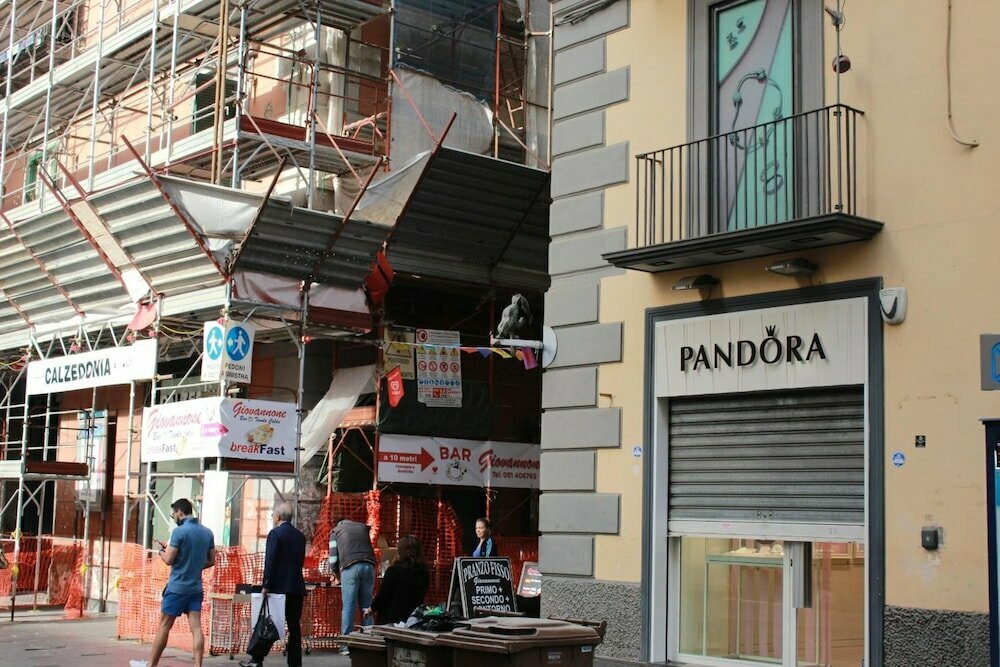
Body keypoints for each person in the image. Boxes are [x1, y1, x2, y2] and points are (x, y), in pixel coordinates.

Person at [130, 498, 215, 667]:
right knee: (196, 628)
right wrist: (194, 565)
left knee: (164, 626)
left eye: (173, 514)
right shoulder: (207, 532)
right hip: (195, 588)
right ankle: (198, 665)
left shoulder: (179, 532)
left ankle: (151, 665)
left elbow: (169, 559)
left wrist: (162, 551)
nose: (174, 517)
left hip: (177, 588)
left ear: (179, 512)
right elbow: (211, 560)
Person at [240, 502, 307, 667]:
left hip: (278, 588)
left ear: (277, 517)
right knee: (294, 627)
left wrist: (266, 584)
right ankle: (295, 663)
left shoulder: (275, 534)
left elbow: (271, 560)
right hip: (296, 587)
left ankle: (257, 659)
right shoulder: (300, 536)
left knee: (268, 623)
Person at [328, 517, 376, 656]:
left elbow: (333, 559)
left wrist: (336, 574)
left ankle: (345, 646)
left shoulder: (335, 531)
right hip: (369, 565)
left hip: (350, 567)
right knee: (367, 606)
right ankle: (369, 644)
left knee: (349, 606)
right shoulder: (362, 527)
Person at [365, 535, 429, 625]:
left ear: (400, 551)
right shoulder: (423, 572)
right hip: (413, 620)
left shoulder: (393, 571)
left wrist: (371, 609)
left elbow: (383, 595)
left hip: (390, 620)